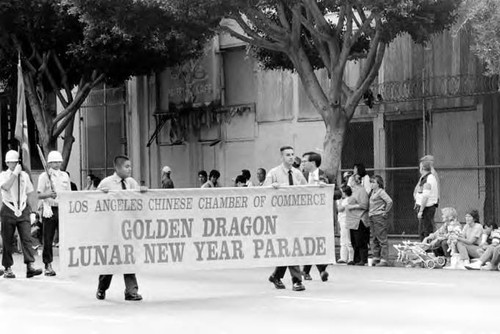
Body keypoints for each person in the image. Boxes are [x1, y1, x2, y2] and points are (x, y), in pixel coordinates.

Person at [96, 155, 146, 301]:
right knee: (111, 261)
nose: (130, 169)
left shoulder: (131, 182)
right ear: (117, 168)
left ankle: (131, 291)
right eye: (126, 166)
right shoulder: (106, 183)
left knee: (129, 259)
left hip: (128, 228)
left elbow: (138, 198)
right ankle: (102, 287)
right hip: (111, 228)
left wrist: (143, 192)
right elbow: (96, 202)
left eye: (130, 166)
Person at [265, 146, 307, 292]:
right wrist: (271, 187)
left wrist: (320, 187)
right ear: (282, 157)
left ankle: (277, 276)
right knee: (290, 247)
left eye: (292, 154)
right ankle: (296, 280)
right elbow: (263, 192)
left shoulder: (297, 174)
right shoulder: (273, 173)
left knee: (290, 247)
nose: (291, 157)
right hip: (280, 217)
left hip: (294, 215)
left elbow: (307, 191)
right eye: (287, 155)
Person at [1, 150, 42, 278]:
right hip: (8, 208)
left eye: (16, 161)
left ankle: (30, 266)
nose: (14, 164)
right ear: (7, 163)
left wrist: (32, 211)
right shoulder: (4, 175)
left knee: (26, 238)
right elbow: (6, 187)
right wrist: (14, 173)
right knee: (8, 239)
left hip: (23, 209)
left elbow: (29, 193)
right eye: (11, 162)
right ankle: (7, 267)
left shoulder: (24, 175)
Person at [37, 150, 71, 277]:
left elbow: (69, 192)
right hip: (50, 209)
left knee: (65, 237)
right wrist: (49, 194)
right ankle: (48, 264)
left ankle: (68, 264)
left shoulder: (65, 176)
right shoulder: (44, 176)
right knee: (48, 238)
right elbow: (39, 195)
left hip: (62, 208)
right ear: (49, 163)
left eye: (58, 162)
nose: (57, 164)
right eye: (54, 162)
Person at [301, 152, 329, 281]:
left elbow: (338, 193)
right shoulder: (301, 175)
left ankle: (307, 271)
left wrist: (326, 189)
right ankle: (320, 269)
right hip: (305, 215)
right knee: (310, 242)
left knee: (316, 242)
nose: (302, 164)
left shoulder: (325, 175)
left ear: (312, 163)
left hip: (320, 215)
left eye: (304, 161)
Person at [368, 175, 393, 267]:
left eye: (373, 182)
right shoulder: (372, 192)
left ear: (378, 184)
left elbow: (389, 201)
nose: (371, 184)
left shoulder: (381, 192)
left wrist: (385, 211)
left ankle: (384, 259)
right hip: (371, 216)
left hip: (378, 216)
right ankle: (376, 257)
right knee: (374, 237)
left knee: (382, 237)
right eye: (370, 182)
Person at [346, 174, 370, 266]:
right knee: (354, 241)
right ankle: (356, 259)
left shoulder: (361, 191)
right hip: (352, 220)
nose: (349, 182)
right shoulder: (352, 191)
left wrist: (352, 206)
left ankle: (363, 259)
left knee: (360, 240)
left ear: (354, 181)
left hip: (359, 219)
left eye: (350, 180)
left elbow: (364, 205)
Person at [414, 160, 438, 241]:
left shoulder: (429, 179)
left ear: (423, 168)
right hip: (424, 208)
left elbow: (425, 196)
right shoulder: (425, 178)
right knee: (422, 230)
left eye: (420, 167)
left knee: (425, 231)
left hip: (427, 209)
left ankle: (427, 250)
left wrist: (421, 210)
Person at [337, 185, 354, 265]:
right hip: (341, 221)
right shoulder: (343, 200)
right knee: (342, 239)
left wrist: (339, 200)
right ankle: (343, 257)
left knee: (348, 240)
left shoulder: (347, 200)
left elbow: (340, 209)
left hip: (346, 221)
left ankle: (351, 258)